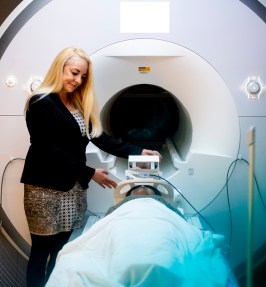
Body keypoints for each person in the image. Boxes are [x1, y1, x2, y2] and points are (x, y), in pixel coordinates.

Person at [20, 46, 161, 287]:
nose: (78, 80)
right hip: (44, 190)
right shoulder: (40, 102)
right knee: (41, 251)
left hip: (74, 190)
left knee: (64, 251)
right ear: (59, 68)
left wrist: (138, 152)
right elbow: (49, 150)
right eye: (74, 72)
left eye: (83, 76)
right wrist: (91, 173)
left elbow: (101, 138)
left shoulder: (78, 104)